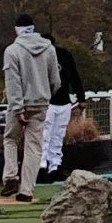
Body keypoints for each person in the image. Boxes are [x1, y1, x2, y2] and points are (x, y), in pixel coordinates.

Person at [0, 16, 59, 201]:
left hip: (20, 104)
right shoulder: (49, 49)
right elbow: (56, 79)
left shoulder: (12, 51)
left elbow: (12, 81)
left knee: (10, 139)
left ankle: (10, 176)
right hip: (41, 102)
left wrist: (17, 108)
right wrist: (46, 94)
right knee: (34, 146)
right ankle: (27, 190)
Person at [42, 29, 86, 181]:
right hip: (48, 103)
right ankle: (44, 166)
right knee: (48, 135)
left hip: (59, 102)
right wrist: (81, 98)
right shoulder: (40, 57)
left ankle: (54, 166)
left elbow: (74, 76)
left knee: (55, 135)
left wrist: (81, 97)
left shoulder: (63, 55)